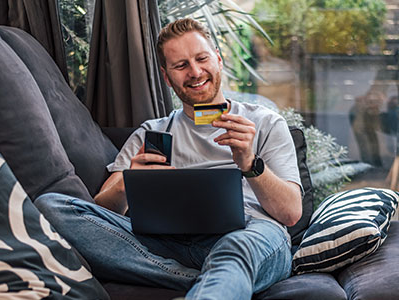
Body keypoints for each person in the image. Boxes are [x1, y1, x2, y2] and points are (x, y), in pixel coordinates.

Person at [34, 18, 302, 299]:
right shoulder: (152, 132)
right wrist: (129, 183)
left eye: (202, 59)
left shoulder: (265, 122)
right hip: (170, 243)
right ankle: (214, 277)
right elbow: (103, 209)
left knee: (237, 249)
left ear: (219, 60)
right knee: (51, 206)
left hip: (251, 233)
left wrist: (250, 163)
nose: (195, 72)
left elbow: (290, 213)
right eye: (181, 65)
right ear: (166, 76)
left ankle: (219, 274)